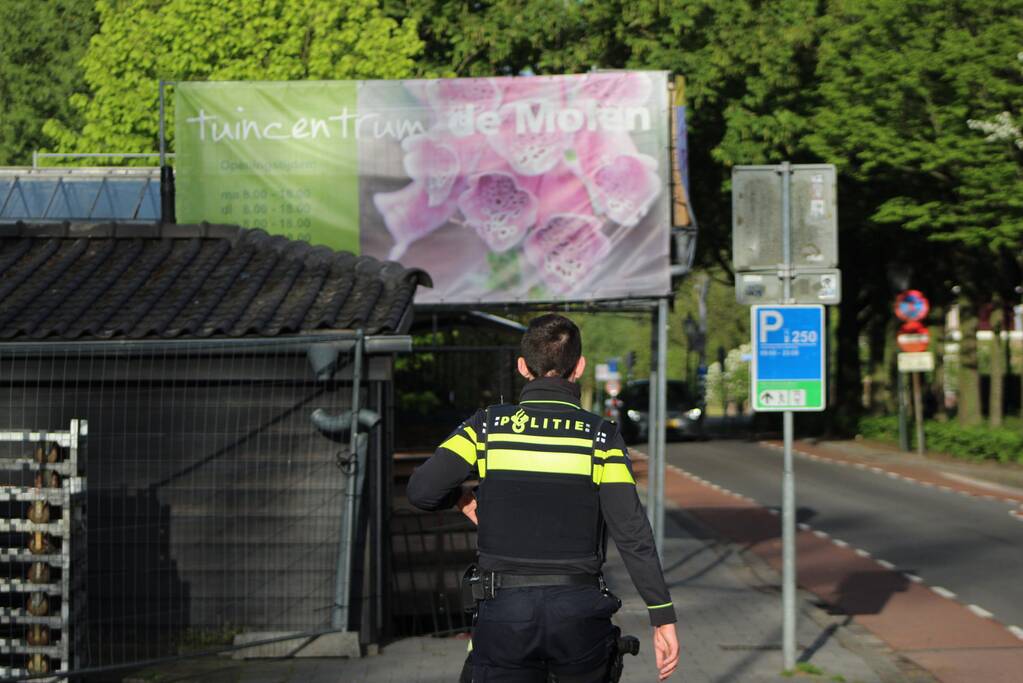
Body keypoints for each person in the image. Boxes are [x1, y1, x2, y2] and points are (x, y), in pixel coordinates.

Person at [407, 314, 680, 682]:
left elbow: (422, 491)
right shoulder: (601, 437)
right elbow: (632, 532)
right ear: (579, 366)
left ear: (522, 367)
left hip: (503, 616)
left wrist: (461, 498)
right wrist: (661, 613)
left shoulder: (486, 427)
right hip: (579, 619)